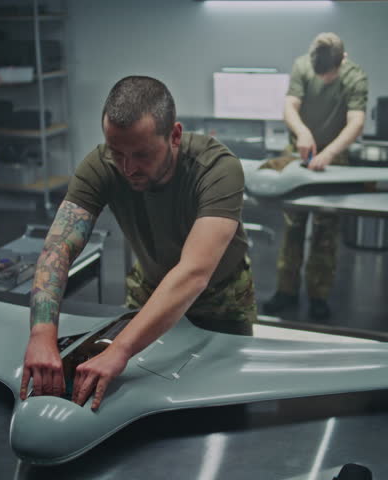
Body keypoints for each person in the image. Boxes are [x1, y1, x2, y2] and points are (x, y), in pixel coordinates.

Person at [20, 76, 256, 411]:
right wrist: (42, 334)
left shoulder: (217, 168)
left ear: (174, 136)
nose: (128, 168)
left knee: (226, 399)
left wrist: (120, 349)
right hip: (151, 286)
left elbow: (193, 272)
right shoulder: (101, 165)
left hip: (221, 297)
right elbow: (58, 247)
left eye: (142, 154)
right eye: (117, 153)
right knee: (137, 396)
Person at [262, 32, 368, 321]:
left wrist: (330, 152)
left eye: (329, 76)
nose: (323, 80)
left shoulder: (356, 78)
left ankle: (319, 296)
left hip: (335, 157)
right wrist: (303, 133)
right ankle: (286, 292)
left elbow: (356, 122)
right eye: (319, 74)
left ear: (342, 61)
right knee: (292, 223)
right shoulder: (302, 66)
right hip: (300, 151)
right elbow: (290, 107)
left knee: (325, 230)